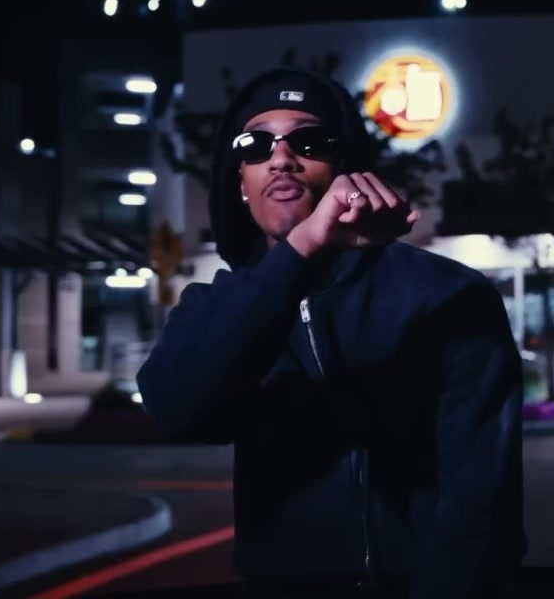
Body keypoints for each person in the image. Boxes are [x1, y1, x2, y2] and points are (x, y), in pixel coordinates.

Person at [136, 67, 525, 598]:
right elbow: (178, 409)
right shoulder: (215, 308)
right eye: (255, 145)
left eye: (309, 142)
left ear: (346, 169)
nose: (281, 158)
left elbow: (481, 498)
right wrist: (302, 250)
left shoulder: (447, 295)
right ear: (240, 183)